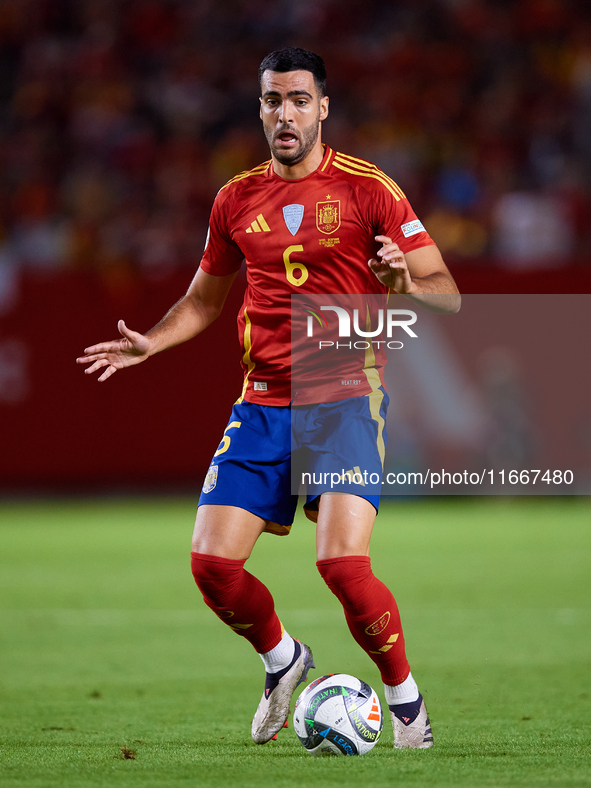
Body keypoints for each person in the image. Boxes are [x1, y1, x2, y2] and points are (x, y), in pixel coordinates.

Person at [77, 47, 460, 750]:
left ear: (322, 108)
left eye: (297, 100)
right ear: (259, 109)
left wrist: (402, 282)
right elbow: (203, 300)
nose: (284, 113)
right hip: (261, 403)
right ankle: (284, 661)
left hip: (344, 394)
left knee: (342, 566)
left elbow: (447, 293)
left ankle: (405, 704)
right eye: (271, 100)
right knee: (211, 568)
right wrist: (151, 344)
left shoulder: (368, 189)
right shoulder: (234, 199)